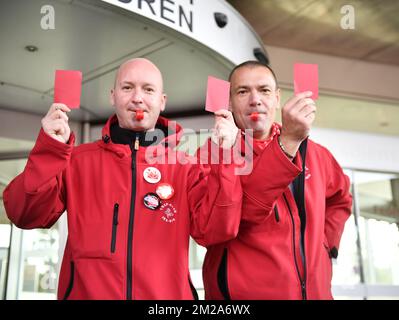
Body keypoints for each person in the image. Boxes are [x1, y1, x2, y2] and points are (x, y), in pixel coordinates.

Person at [3, 58, 242, 300]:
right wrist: (50, 149)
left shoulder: (186, 167)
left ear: (162, 101)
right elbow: (25, 214)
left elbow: (217, 230)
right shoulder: (76, 161)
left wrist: (225, 155)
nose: (138, 98)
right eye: (127, 88)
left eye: (148, 89)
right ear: (113, 96)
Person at [201, 61, 353, 300]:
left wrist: (325, 244)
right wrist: (288, 143)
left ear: (277, 97)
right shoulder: (212, 154)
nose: (255, 100)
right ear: (228, 102)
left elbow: (341, 197)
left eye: (264, 90)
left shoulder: (317, 154)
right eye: (243, 91)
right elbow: (234, 219)